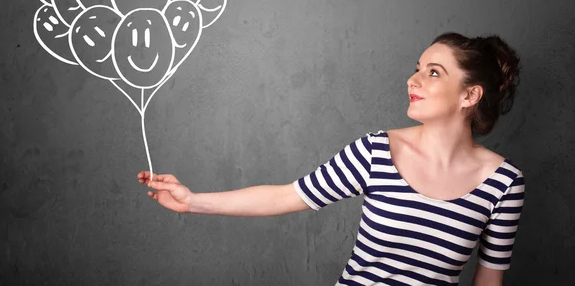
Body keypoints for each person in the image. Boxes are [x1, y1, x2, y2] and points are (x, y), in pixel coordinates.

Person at [138, 32, 525, 285]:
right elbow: (287, 196)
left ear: (469, 96)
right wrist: (192, 202)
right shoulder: (376, 151)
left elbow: (488, 281)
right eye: (417, 69)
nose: (414, 80)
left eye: (434, 72)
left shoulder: (504, 183)